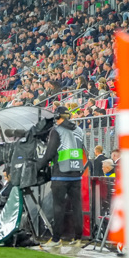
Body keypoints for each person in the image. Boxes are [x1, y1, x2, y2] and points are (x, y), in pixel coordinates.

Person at [36, 106, 85, 248]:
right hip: (76, 174)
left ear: (58, 117)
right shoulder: (79, 130)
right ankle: (78, 238)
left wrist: (37, 167)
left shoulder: (56, 130)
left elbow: (50, 153)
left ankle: (56, 239)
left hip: (60, 175)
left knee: (58, 208)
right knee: (77, 207)